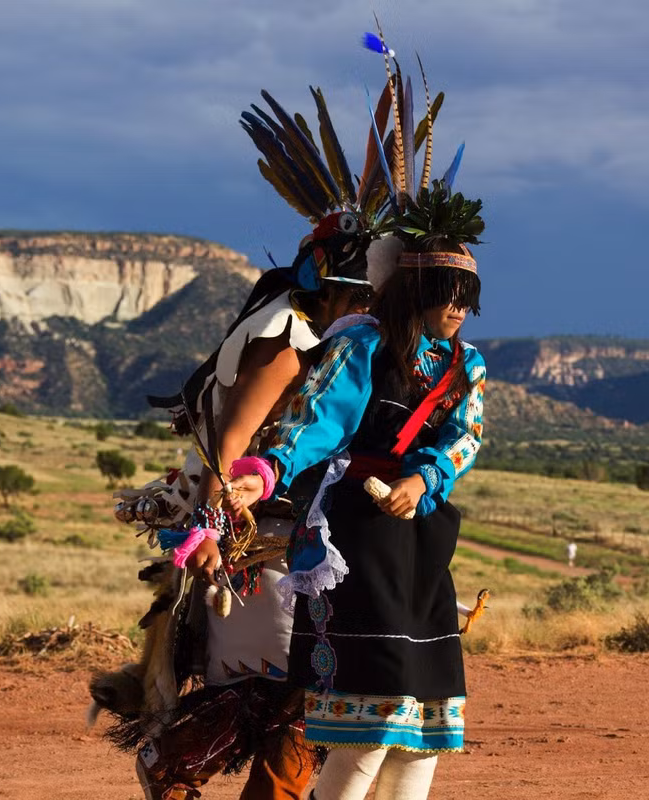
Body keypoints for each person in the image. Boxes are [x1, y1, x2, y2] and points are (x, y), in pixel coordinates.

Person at [102, 77, 414, 800]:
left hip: (273, 546)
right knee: (300, 701)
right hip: (263, 551)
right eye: (362, 293)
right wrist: (212, 528)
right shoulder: (289, 339)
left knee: (289, 710)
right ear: (335, 287)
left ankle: (172, 761)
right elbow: (235, 440)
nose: (368, 308)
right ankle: (171, 761)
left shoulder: (305, 335)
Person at [228, 171, 488, 799]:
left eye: (465, 295)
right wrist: (265, 472)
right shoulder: (363, 345)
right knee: (368, 732)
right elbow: (316, 420)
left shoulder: (467, 364)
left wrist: (424, 478)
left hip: (420, 544)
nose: (455, 308)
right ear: (412, 287)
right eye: (444, 292)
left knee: (422, 734)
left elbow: (464, 435)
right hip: (354, 543)